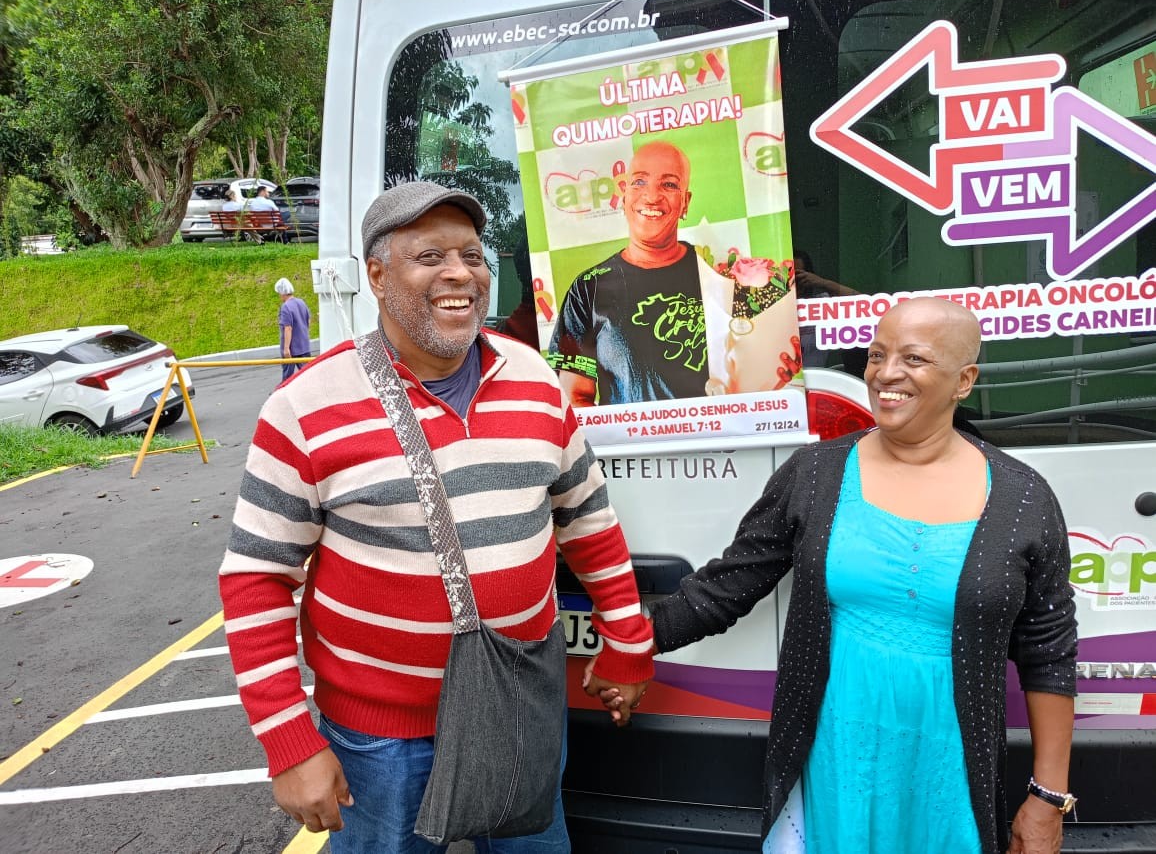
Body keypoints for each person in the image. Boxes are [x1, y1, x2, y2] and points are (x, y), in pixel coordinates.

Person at [218, 181, 653, 853]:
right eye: (431, 256)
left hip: (518, 713)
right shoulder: (305, 407)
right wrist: (289, 739)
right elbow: (255, 578)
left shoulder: (537, 382)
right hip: (380, 742)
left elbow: (588, 518)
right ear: (377, 273)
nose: (460, 274)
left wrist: (626, 636)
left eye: (472, 256)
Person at [616, 298, 1077, 854]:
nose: (886, 373)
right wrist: (629, 645)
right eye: (877, 354)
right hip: (834, 758)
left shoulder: (1022, 498)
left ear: (965, 380)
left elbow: (1048, 652)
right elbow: (729, 584)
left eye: (915, 358)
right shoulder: (816, 475)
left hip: (948, 773)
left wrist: (1047, 798)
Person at [547, 141, 800, 406]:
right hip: (632, 447)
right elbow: (574, 398)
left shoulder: (720, 278)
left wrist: (770, 372)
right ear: (624, 196)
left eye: (668, 184)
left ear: (685, 203)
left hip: (716, 444)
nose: (652, 196)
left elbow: (742, 379)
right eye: (639, 182)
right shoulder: (589, 288)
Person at [274, 277, 311, 382]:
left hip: (292, 349)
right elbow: (307, 321)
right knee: (307, 375)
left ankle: (281, 395)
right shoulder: (301, 302)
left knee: (287, 377)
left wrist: (286, 348)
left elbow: (288, 328)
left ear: (282, 292)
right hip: (304, 345)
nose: (279, 296)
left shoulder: (286, 307)